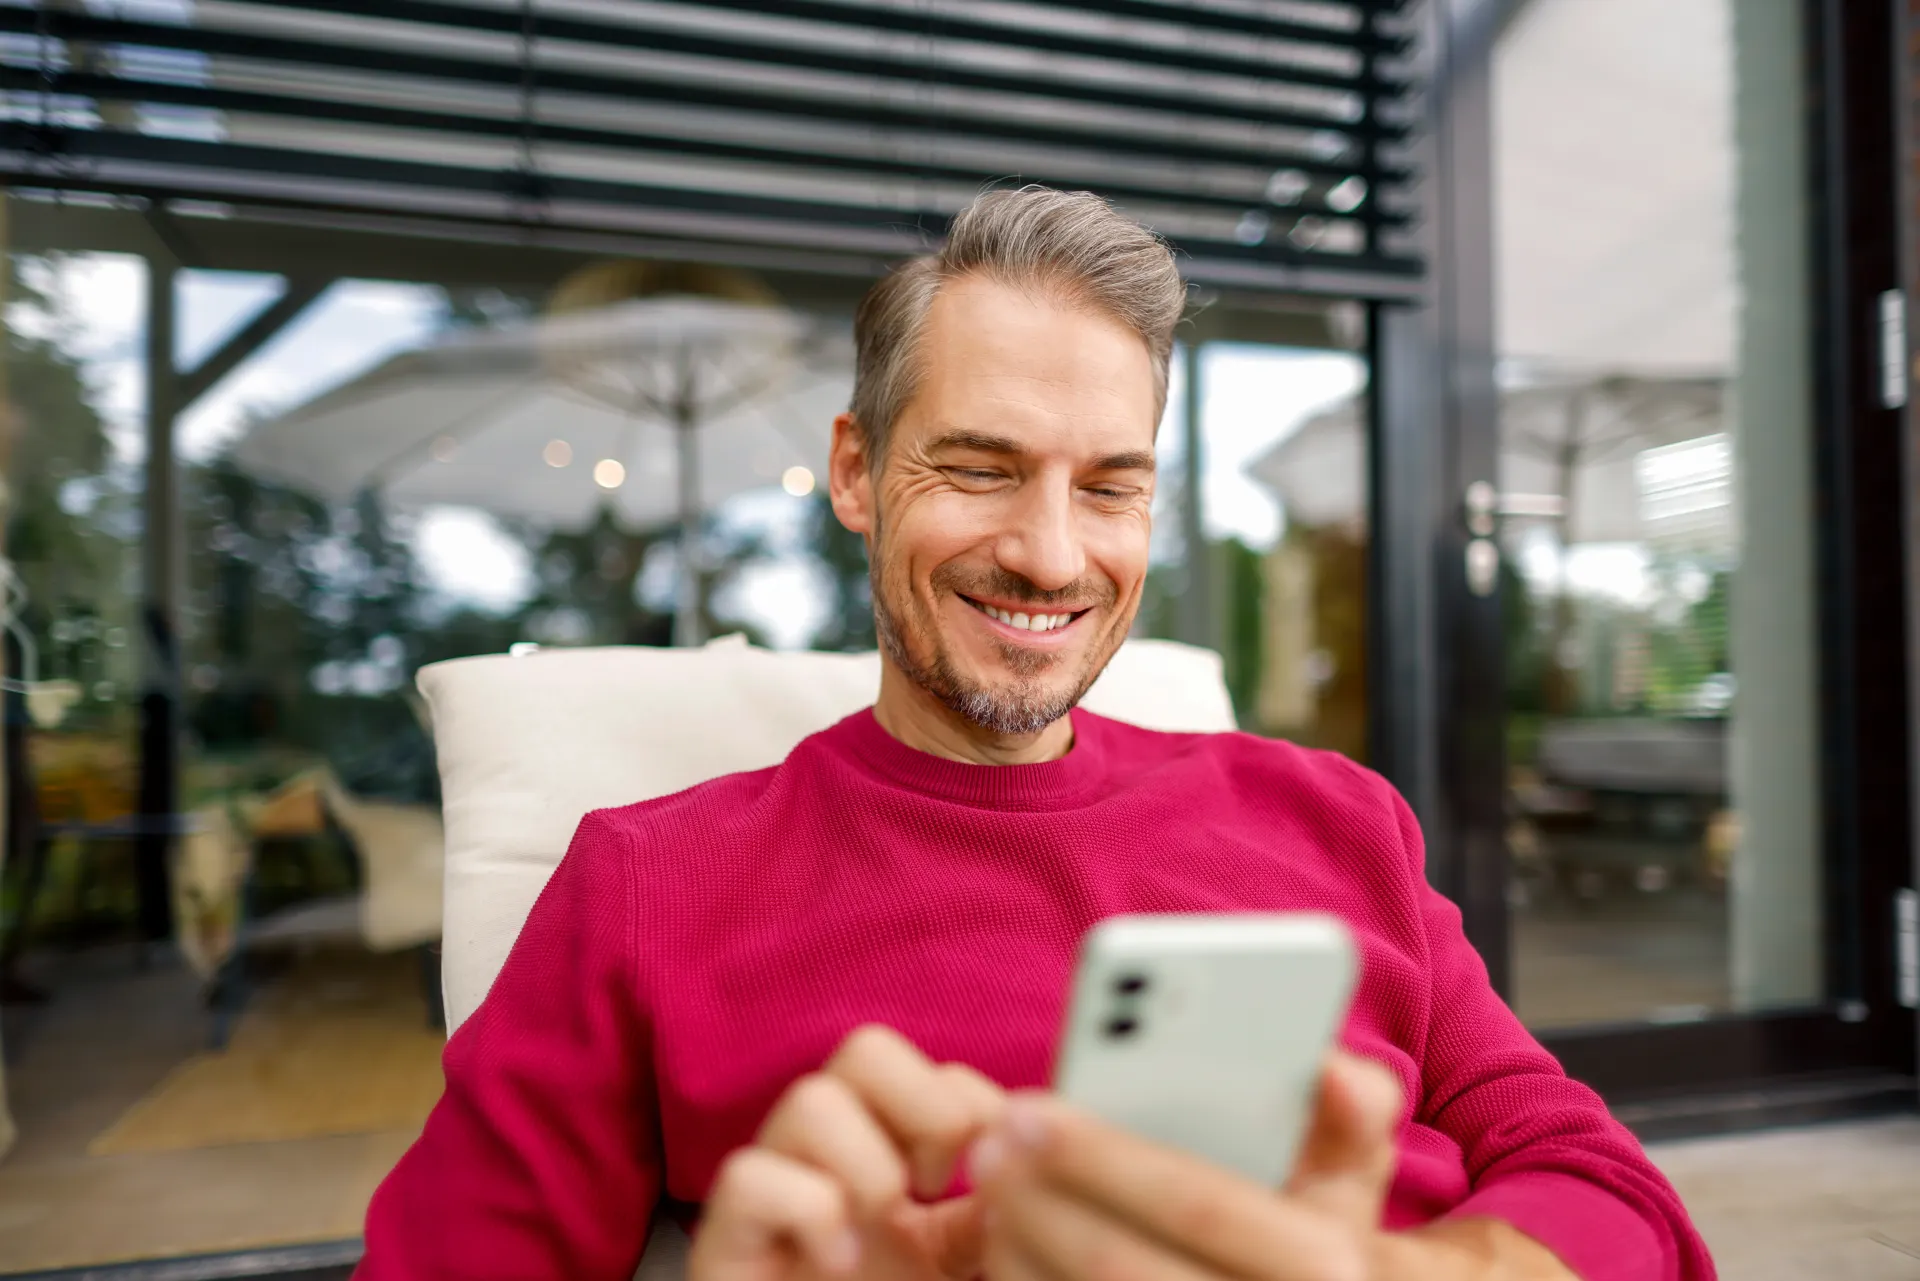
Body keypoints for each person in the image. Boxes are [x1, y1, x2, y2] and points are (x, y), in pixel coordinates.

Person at [357, 187, 1713, 1281]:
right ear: (854, 471)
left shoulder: (1334, 815)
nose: (1050, 553)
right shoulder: (649, 885)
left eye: (1110, 488)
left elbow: (1616, 1198)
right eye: (982, 468)